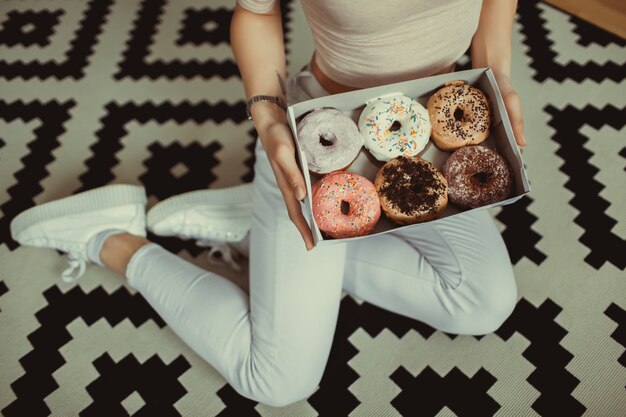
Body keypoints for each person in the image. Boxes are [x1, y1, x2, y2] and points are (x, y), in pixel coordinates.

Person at [10, 0, 526, 408]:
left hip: (433, 143)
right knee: (278, 381)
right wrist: (269, 119)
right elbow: (256, 11)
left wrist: (497, 77)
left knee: (485, 301)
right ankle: (109, 238)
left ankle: (257, 230)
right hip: (318, 150)